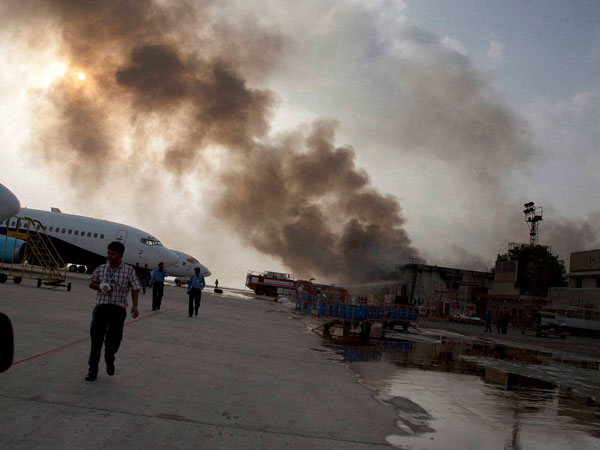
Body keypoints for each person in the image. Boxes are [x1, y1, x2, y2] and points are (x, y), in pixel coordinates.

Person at [86, 241, 141, 381]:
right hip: (101, 308)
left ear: (120, 256)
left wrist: (135, 305)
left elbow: (135, 288)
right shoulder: (101, 269)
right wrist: (100, 286)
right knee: (96, 340)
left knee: (114, 340)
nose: (109, 256)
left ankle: (109, 357)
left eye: (113, 254)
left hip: (118, 310)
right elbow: (91, 282)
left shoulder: (128, 271)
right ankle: (92, 369)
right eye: (108, 253)